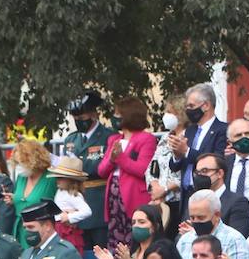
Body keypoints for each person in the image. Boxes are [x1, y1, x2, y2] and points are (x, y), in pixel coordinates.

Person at [97, 97, 156, 248]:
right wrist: (111, 159)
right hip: (113, 197)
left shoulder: (146, 139)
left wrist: (120, 158)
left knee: (134, 239)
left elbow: (142, 169)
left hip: (134, 196)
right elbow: (102, 171)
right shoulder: (114, 139)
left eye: (118, 114)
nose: (114, 118)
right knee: (116, 240)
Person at [63, 90, 115, 248]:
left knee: (101, 251)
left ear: (93, 114)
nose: (79, 121)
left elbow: (100, 168)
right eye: (76, 118)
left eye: (82, 117)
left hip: (98, 203)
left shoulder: (108, 137)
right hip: (76, 202)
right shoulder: (71, 139)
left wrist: (81, 167)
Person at [169, 82, 228, 210]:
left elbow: (217, 159)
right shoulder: (190, 130)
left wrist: (186, 151)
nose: (188, 110)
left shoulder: (222, 130)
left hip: (208, 194)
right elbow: (174, 166)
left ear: (206, 105)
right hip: (186, 195)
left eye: (191, 106)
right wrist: (177, 154)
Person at [176, 189, 249, 259]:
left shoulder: (234, 240)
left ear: (217, 215)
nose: (196, 222)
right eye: (192, 218)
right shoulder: (184, 241)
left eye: (201, 218)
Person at [192, 151, 249, 237]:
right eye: (197, 173)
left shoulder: (238, 202)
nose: (200, 176)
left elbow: (238, 237)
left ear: (220, 173)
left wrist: (194, 234)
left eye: (205, 171)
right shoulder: (194, 200)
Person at [7, 139, 57, 241]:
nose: (19, 166)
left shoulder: (51, 178)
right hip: (21, 230)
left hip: (42, 231)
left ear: (33, 159)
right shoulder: (21, 178)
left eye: (22, 162)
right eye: (17, 162)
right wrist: (13, 200)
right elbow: (21, 198)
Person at [147, 96, 186, 220]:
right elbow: (152, 166)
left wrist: (165, 189)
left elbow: (187, 172)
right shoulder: (165, 138)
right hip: (160, 201)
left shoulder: (188, 138)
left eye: (170, 112)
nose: (166, 116)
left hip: (178, 200)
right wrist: (155, 188)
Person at [50, 155, 92, 251]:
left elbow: (87, 211)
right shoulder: (60, 191)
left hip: (68, 232)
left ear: (70, 180)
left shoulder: (73, 195)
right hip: (58, 229)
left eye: (61, 177)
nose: (57, 179)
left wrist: (69, 217)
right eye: (57, 176)